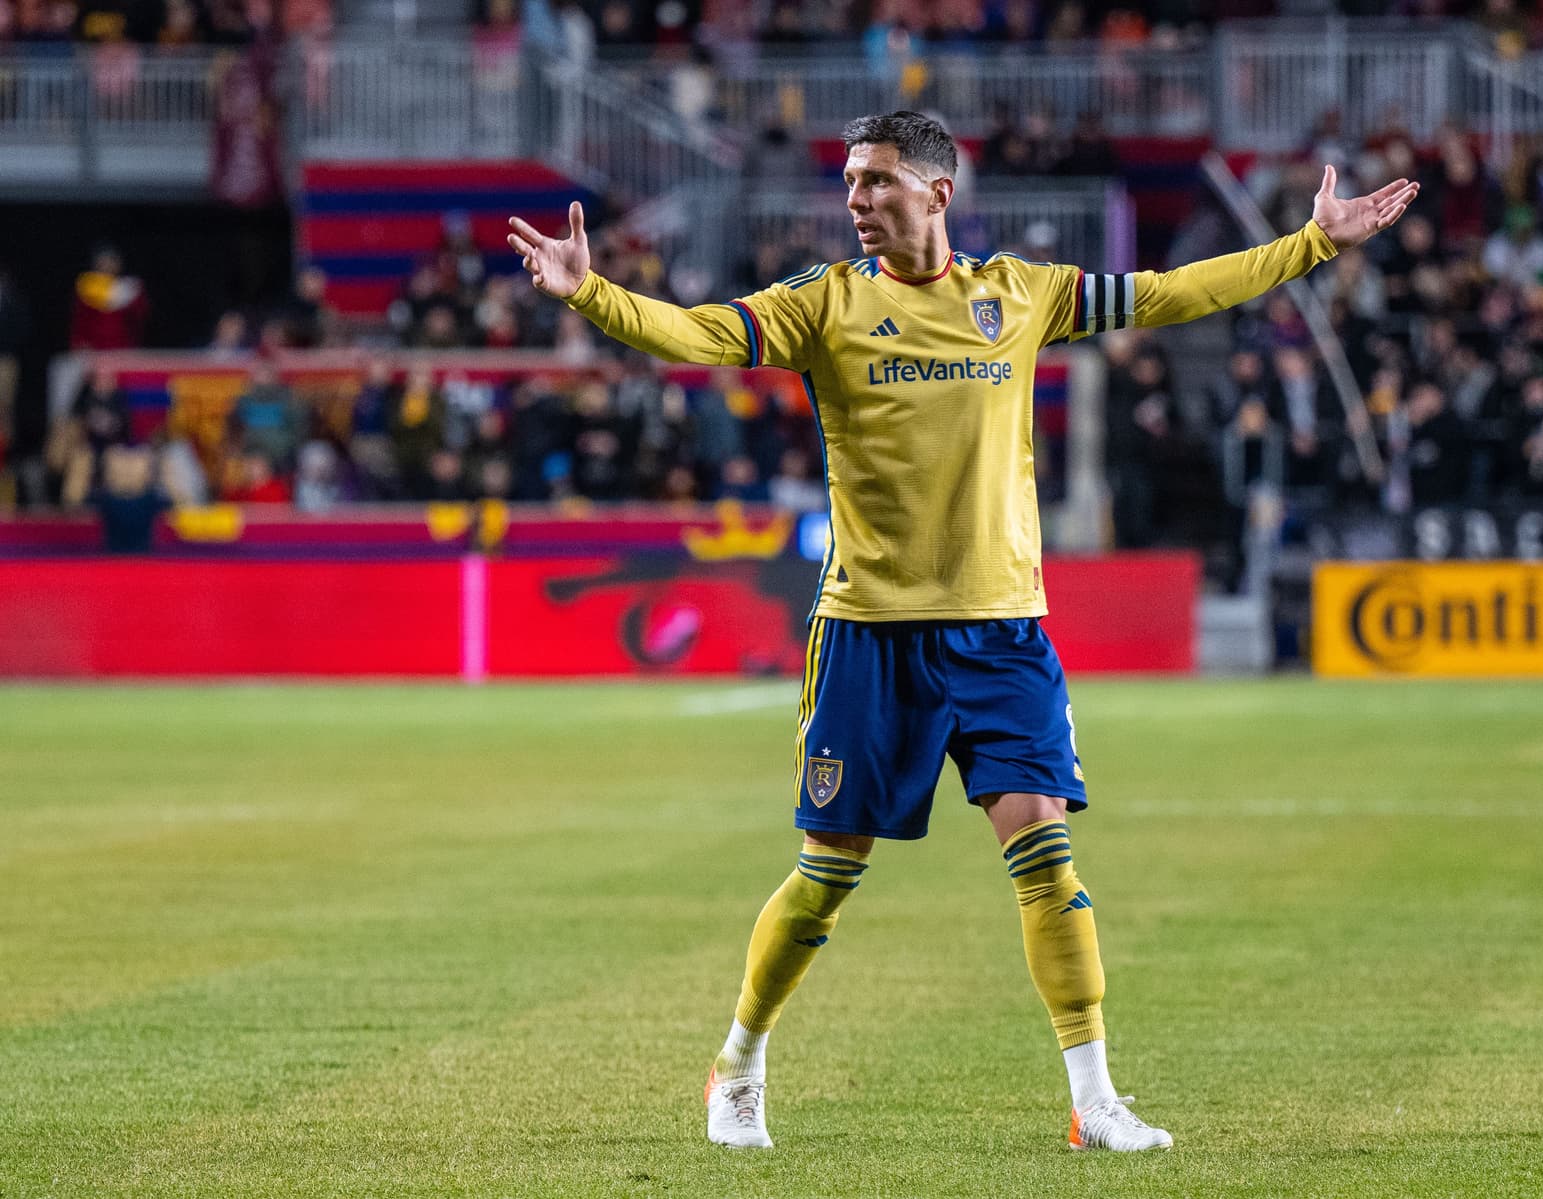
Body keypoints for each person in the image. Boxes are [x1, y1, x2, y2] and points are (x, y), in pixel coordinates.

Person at [509, 110, 1418, 1153]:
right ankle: (740, 1062)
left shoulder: (1019, 295)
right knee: (825, 878)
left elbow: (1170, 295)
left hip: (1001, 633)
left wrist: (1311, 243)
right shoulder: (825, 305)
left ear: (939, 192)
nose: (856, 199)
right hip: (870, 632)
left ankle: (1095, 1098)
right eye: (850, 181)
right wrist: (595, 295)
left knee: (1048, 858)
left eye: (879, 180)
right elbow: (699, 332)